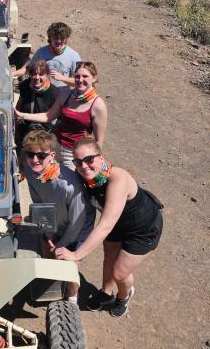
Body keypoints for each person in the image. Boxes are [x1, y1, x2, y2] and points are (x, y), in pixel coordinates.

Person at [55, 135, 163, 317]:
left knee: (120, 273)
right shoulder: (89, 178)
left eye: (89, 160)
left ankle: (123, 297)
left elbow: (104, 225)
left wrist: (76, 254)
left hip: (142, 228)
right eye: (78, 162)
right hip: (118, 223)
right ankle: (106, 293)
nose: (84, 166)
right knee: (109, 257)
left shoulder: (117, 179)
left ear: (101, 158)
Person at [22, 130, 95, 304]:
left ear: (52, 155)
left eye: (41, 155)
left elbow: (77, 222)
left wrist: (61, 245)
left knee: (68, 260)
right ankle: (52, 285)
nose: (35, 160)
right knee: (46, 248)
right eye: (30, 154)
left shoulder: (70, 186)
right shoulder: (30, 170)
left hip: (78, 225)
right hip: (55, 219)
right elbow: (39, 201)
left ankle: (72, 298)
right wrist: (48, 235)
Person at [15, 61, 107, 169]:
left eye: (85, 76)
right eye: (77, 76)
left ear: (95, 78)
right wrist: (20, 115)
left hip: (75, 154)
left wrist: (95, 165)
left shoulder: (98, 105)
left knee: (72, 184)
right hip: (55, 146)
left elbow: (98, 142)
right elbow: (48, 116)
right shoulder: (66, 95)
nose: (80, 80)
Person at [12, 22, 81, 90]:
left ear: (66, 39)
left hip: (61, 99)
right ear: (50, 37)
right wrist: (12, 74)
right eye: (56, 38)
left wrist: (63, 78)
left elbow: (80, 82)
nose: (59, 41)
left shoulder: (73, 56)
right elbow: (28, 69)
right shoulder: (41, 52)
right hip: (42, 96)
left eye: (62, 38)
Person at [15, 60, 59, 148]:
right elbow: (19, 105)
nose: (37, 77)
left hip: (45, 137)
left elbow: (58, 119)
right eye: (34, 74)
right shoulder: (25, 85)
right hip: (25, 133)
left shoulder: (54, 93)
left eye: (41, 74)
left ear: (47, 75)